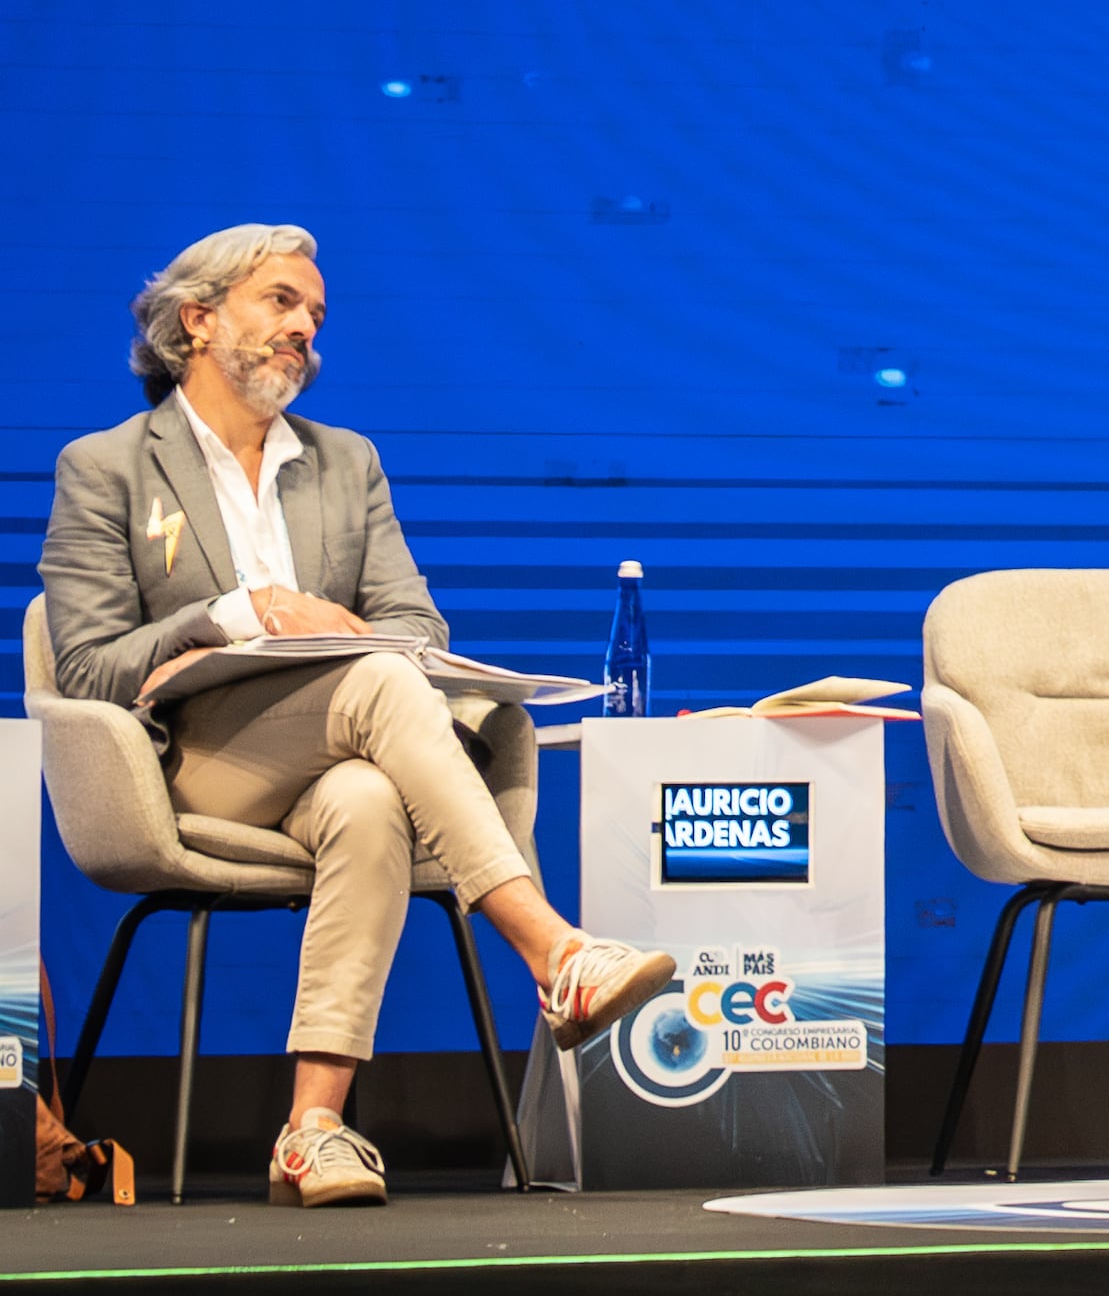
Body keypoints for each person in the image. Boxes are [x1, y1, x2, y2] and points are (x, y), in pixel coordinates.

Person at [36, 226, 676, 1207]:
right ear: (197, 319)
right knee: (381, 685)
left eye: (315, 316)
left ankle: (314, 1127)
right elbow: (84, 665)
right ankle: (553, 951)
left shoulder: (346, 462)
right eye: (282, 302)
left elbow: (414, 618)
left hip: (335, 751)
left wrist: (344, 636)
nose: (305, 329)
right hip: (195, 765)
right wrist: (238, 615)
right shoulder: (108, 465)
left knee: (371, 793)